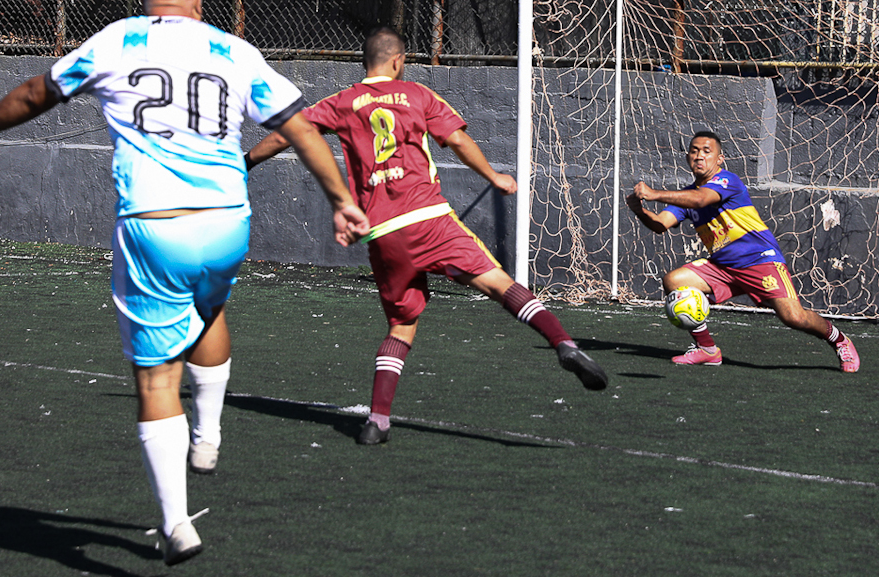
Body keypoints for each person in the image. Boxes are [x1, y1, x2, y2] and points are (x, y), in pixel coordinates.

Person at [0, 0, 370, 566]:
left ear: (148, 1)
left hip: (155, 225)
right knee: (209, 305)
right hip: (227, 223)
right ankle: (210, 434)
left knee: (156, 375)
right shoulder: (234, 51)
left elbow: (41, 91)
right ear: (199, 1)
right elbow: (299, 128)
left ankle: (174, 524)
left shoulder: (118, 39)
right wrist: (341, 200)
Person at [244, 26, 607, 447]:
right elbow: (455, 139)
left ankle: (377, 421)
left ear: (366, 62)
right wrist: (492, 175)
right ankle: (562, 343)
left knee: (401, 324)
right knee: (498, 284)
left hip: (381, 231)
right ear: (398, 60)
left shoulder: (342, 102)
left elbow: (289, 133)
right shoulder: (417, 95)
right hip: (428, 218)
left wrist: (246, 162)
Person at [626, 131, 860, 373]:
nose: (699, 156)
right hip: (723, 267)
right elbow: (660, 224)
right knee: (674, 281)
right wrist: (640, 211)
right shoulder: (686, 196)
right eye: (694, 151)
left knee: (794, 317)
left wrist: (655, 194)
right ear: (687, 157)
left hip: (760, 261)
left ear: (720, 159)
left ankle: (839, 340)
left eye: (707, 151)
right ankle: (707, 350)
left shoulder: (727, 181)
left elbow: (700, 200)